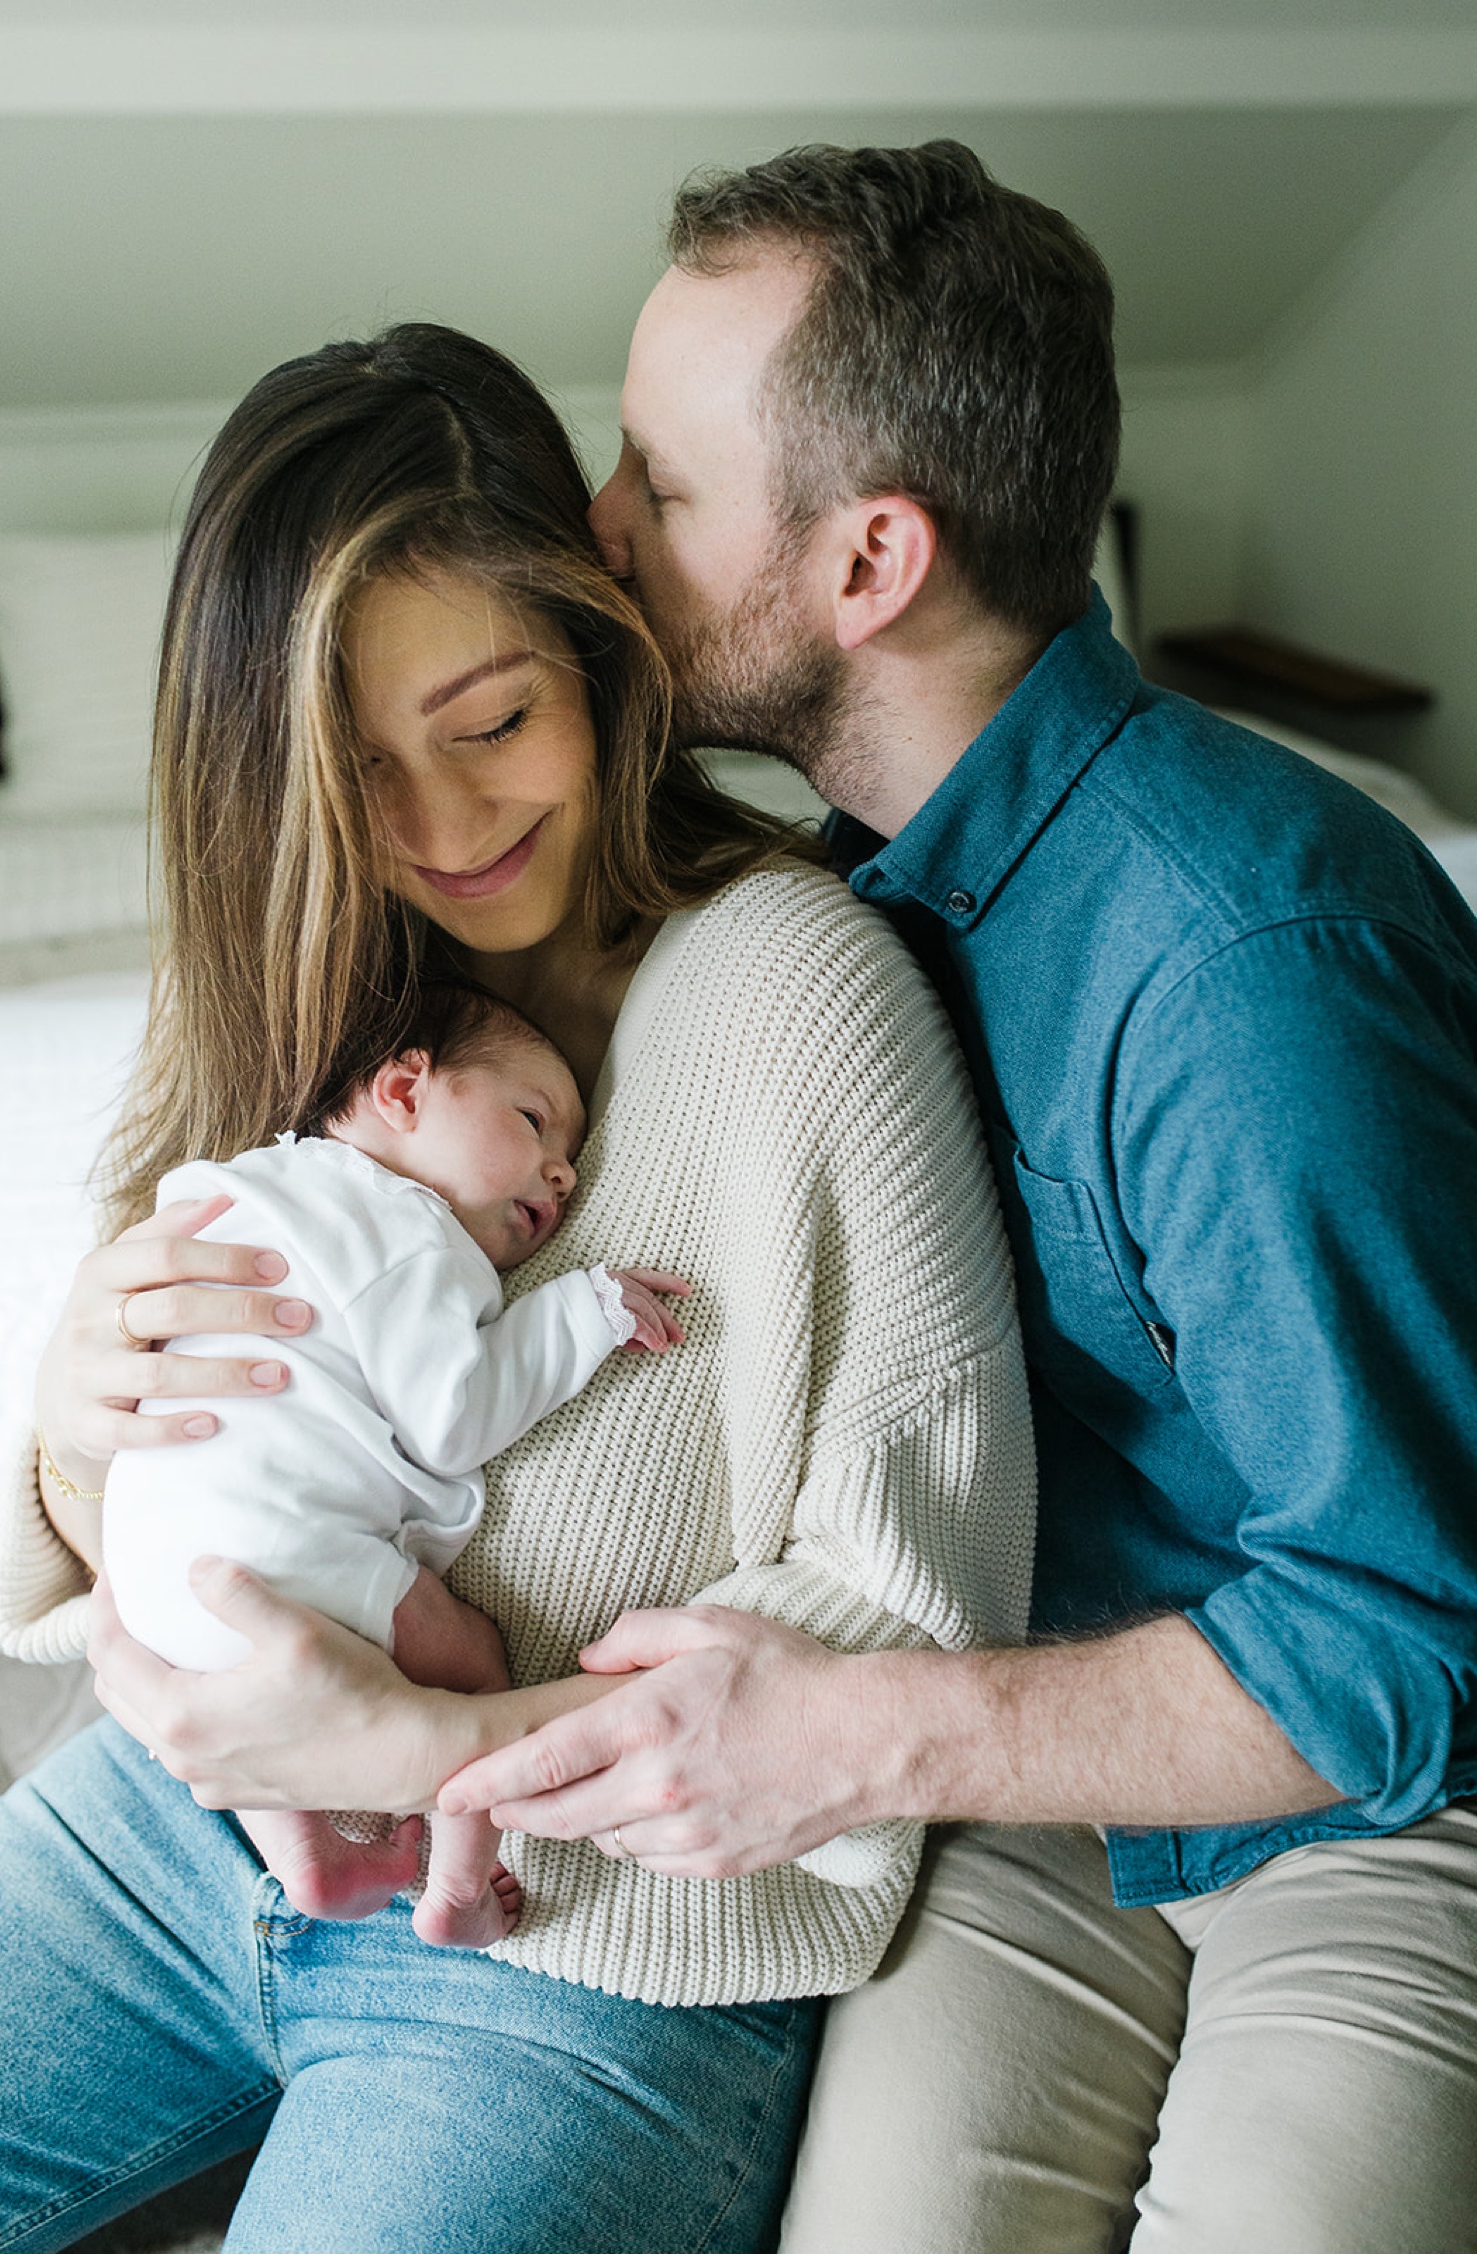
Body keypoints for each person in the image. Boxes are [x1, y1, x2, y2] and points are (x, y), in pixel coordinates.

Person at [414, 143, 1475, 2249]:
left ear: (872, 558)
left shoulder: (1245, 961)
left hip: (1379, 1786)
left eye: (659, 483)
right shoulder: (809, 896)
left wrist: (861, 1727)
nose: (594, 534)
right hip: (1030, 1764)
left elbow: (1412, 1629)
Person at [0, 320, 1035, 2254]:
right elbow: (124, 1511)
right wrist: (65, 1429)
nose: (447, 830)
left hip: (578, 1937)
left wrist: (437, 1748)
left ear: (594, 657)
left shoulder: (799, 991)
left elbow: (903, 1593)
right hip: (171, 1825)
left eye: (489, 724)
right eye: (361, 774)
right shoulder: (321, 994)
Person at [105, 976, 689, 1947]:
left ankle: (311, 1854)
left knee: (240, 1681)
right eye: (534, 1120)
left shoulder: (264, 1188)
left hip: (149, 1567)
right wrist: (582, 1312)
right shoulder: (400, 1226)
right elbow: (450, 1417)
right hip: (267, 1551)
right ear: (404, 1093)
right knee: (474, 1663)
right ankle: (460, 1884)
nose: (563, 1175)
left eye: (569, 1158)